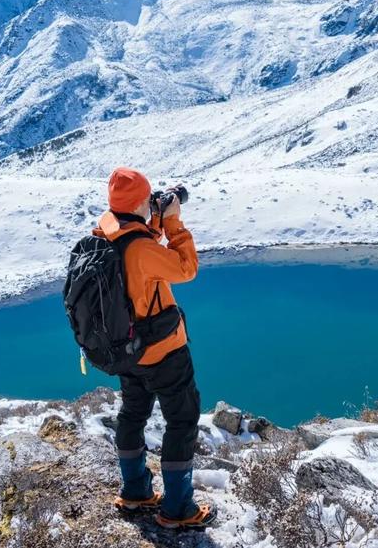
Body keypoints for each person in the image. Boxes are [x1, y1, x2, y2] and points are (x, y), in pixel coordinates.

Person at [93, 166, 215, 530]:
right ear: (138, 204)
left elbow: (137, 252)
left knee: (132, 415)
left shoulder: (105, 233)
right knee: (181, 421)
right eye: (147, 200)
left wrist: (154, 221)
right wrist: (173, 223)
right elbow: (186, 268)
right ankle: (178, 509)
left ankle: (135, 491)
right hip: (162, 352)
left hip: (127, 351)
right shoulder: (142, 248)